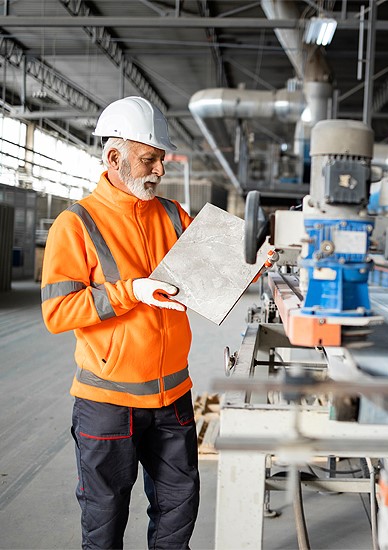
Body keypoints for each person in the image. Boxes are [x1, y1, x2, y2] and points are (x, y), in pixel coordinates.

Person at [41, 96, 199, 549]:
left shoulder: (173, 214)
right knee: (104, 518)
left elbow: (215, 270)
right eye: (149, 159)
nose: (159, 171)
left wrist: (254, 259)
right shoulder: (75, 225)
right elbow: (58, 313)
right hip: (108, 403)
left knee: (178, 512)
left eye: (161, 160)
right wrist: (131, 291)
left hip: (173, 397)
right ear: (115, 157)